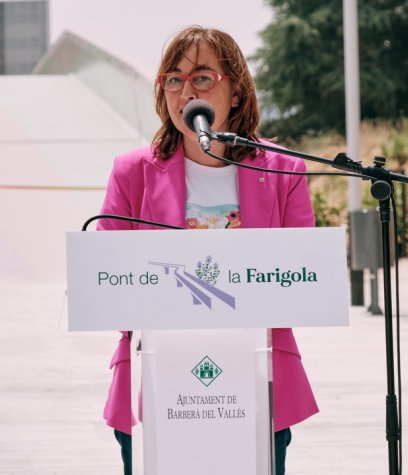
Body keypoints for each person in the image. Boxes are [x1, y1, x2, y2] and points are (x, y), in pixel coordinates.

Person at [97, 26, 318, 475]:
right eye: (173, 79)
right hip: (157, 377)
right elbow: (104, 280)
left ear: (235, 91)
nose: (185, 91)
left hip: (258, 378)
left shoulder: (283, 170)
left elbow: (304, 277)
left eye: (201, 77)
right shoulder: (132, 172)